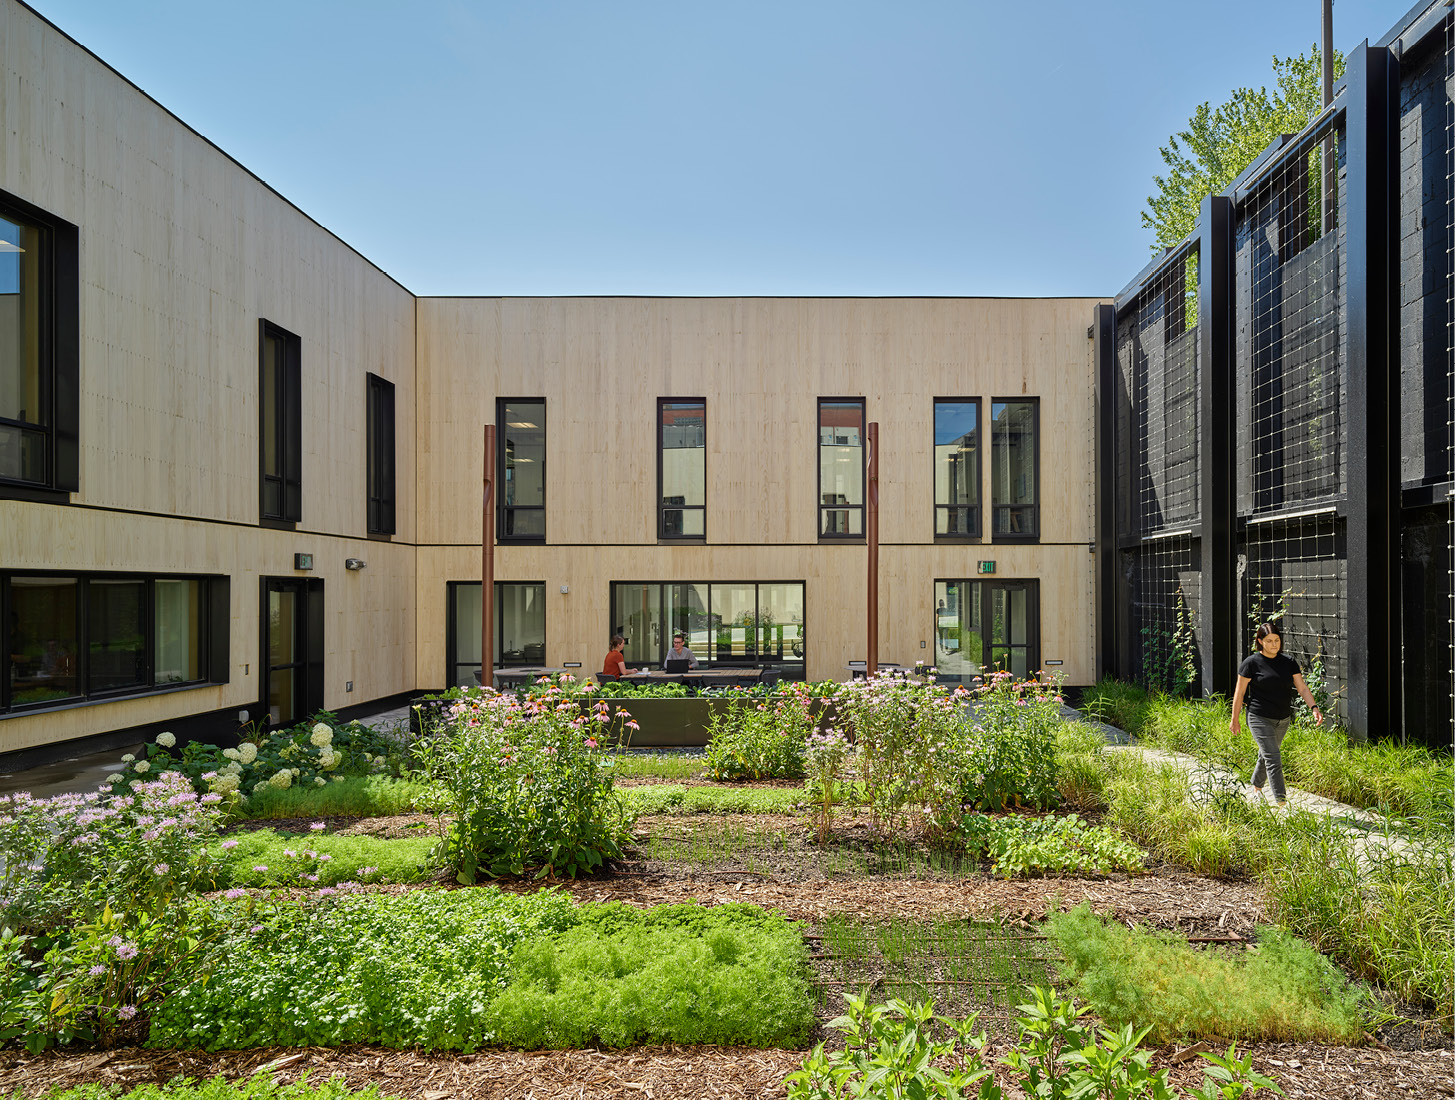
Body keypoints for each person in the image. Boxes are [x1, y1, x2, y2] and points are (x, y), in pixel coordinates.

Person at [1229, 622, 1323, 807]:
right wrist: (1235, 720)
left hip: (1283, 719)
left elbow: (1302, 687)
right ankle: (1282, 803)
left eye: (1277, 640)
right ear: (1260, 641)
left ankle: (1256, 788)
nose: (1274, 644)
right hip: (1258, 717)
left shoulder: (1288, 662)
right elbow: (1239, 693)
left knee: (1266, 755)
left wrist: (1314, 707)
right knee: (1273, 757)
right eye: (1269, 641)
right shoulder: (1251, 663)